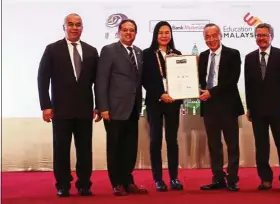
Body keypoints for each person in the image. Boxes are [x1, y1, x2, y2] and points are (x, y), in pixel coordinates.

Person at [37, 13, 101, 197]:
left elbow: (98, 81)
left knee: (84, 150)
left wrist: (98, 105)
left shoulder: (91, 51)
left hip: (84, 110)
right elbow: (42, 78)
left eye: (78, 25)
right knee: (61, 149)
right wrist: (45, 105)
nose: (74, 28)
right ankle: (63, 185)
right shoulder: (52, 49)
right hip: (60, 109)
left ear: (82, 28)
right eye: (70, 24)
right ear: (64, 27)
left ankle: (84, 184)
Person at [96, 19, 147, 196]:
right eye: (125, 30)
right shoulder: (109, 50)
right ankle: (116, 182)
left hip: (133, 108)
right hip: (114, 109)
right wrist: (102, 107)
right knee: (115, 147)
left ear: (135, 33)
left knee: (130, 148)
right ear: (118, 32)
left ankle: (128, 180)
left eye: (132, 30)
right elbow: (101, 81)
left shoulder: (139, 52)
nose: (128, 33)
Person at [244, 23, 280, 191]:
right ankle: (265, 178)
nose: (261, 38)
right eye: (258, 35)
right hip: (257, 110)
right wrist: (249, 107)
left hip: (279, 109)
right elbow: (248, 85)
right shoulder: (249, 58)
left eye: (264, 35)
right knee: (261, 146)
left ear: (271, 36)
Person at [198, 23, 244, 192]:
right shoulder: (202, 56)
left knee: (232, 144)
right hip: (209, 107)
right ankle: (218, 178)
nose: (211, 39)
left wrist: (211, 92)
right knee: (214, 144)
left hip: (228, 106)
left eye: (214, 35)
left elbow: (232, 80)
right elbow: (200, 80)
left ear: (220, 35)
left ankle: (232, 178)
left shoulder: (233, 54)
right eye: (207, 37)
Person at [142, 21, 184, 192]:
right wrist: (161, 94)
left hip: (173, 102)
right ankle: (158, 179)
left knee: (172, 141)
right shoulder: (147, 54)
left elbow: (182, 78)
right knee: (155, 141)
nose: (164, 35)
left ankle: (174, 178)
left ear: (171, 34)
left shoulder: (177, 54)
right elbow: (144, 79)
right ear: (155, 35)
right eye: (161, 32)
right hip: (155, 102)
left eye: (167, 32)